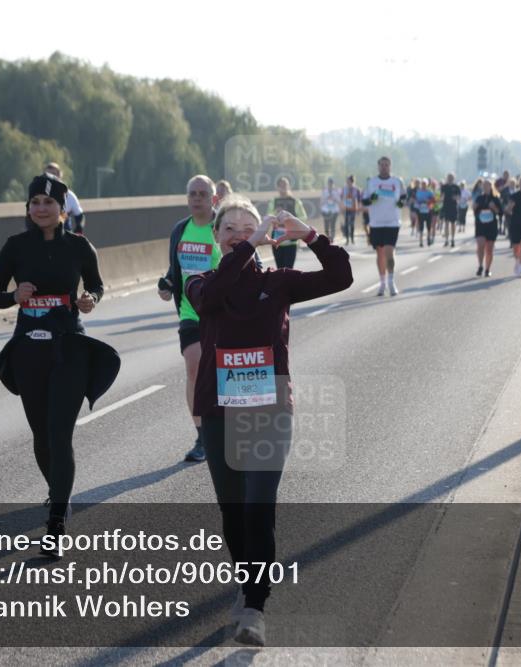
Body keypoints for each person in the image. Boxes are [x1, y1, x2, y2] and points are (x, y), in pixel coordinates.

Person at [185, 196, 353, 646]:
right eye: (231, 230)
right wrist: (250, 246)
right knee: (233, 511)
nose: (240, 235)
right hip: (219, 413)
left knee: (259, 509)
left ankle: (255, 608)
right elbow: (215, 296)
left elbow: (341, 276)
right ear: (216, 238)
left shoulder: (279, 283)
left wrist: (311, 236)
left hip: (270, 411)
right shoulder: (201, 283)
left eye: (249, 228)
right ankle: (246, 579)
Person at [0, 173, 119, 554]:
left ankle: (57, 519)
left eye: (49, 203)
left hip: (69, 348)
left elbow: (97, 285)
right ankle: (57, 491)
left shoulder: (79, 247)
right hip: (29, 349)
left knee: (60, 433)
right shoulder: (15, 247)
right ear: (28, 208)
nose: (41, 209)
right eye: (35, 203)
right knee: (41, 435)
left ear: (63, 210)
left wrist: (90, 298)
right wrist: (15, 295)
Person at [159, 175, 222, 463]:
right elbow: (175, 270)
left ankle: (227, 427)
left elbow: (246, 262)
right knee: (194, 368)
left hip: (222, 313)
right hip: (190, 311)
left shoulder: (223, 228)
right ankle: (202, 437)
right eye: (192, 194)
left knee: (223, 373)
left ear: (214, 199)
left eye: (202, 193)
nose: (197, 198)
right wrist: (167, 283)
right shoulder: (179, 230)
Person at [362, 157, 407, 295]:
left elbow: (404, 197)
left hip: (392, 222)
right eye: (382, 165)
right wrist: (371, 199)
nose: (384, 167)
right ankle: (382, 283)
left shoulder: (397, 181)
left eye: (386, 165)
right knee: (380, 253)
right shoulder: (372, 182)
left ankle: (391, 282)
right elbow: (364, 201)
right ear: (378, 166)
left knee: (389, 251)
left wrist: (400, 204)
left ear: (390, 166)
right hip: (376, 222)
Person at [266, 177, 308, 269]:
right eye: (280, 185)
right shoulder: (274, 201)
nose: (283, 187)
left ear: (288, 186)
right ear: (277, 187)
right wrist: (275, 215)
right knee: (279, 270)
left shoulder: (295, 201)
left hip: (291, 241)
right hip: (277, 240)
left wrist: (291, 219)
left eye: (285, 184)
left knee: (289, 270)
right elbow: (268, 217)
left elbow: (303, 217)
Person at [44, 163, 85, 235]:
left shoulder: (69, 196)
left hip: (65, 237)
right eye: (48, 174)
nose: (50, 177)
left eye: (53, 174)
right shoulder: (39, 196)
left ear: (60, 175)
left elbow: (80, 216)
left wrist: (79, 228)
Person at [473, 179, 503, 277]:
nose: (486, 187)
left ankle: (487, 269)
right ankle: (480, 265)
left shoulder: (495, 198)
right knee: (480, 245)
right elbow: (475, 211)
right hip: (480, 224)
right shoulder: (479, 198)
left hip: (491, 225)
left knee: (489, 249)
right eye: (484, 186)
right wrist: (474, 207)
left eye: (488, 186)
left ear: (491, 187)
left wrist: (494, 208)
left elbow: (501, 212)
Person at [412, 178, 435, 247]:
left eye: (424, 184)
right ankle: (421, 242)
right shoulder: (418, 192)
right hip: (420, 211)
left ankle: (428, 238)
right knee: (421, 226)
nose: (423, 185)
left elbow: (433, 201)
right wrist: (418, 202)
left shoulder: (430, 192)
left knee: (428, 226)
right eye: (422, 184)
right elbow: (415, 200)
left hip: (428, 211)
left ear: (427, 184)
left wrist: (427, 201)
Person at [439, 173, 461, 248]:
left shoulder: (456, 187)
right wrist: (441, 198)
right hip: (446, 206)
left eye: (451, 177)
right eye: (449, 177)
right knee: (446, 223)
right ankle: (446, 240)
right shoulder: (444, 186)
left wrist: (456, 197)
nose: (450, 179)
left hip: (453, 207)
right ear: (447, 178)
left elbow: (459, 197)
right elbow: (441, 196)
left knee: (453, 223)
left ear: (453, 178)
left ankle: (452, 239)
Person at [339, 175, 362, 245]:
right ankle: (347, 239)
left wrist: (358, 209)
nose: (347, 182)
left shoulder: (356, 189)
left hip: (353, 208)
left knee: (351, 224)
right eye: (347, 181)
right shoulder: (344, 189)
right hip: (346, 208)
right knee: (346, 223)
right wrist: (341, 208)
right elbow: (341, 198)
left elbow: (359, 199)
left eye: (349, 181)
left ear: (352, 181)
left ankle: (352, 238)